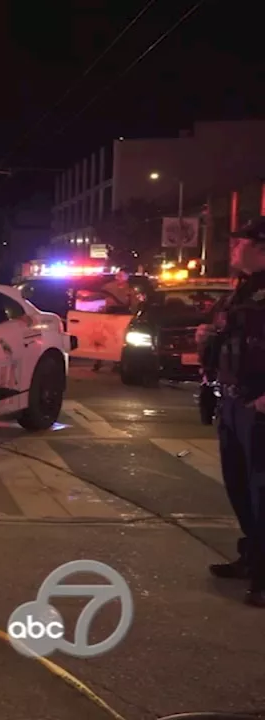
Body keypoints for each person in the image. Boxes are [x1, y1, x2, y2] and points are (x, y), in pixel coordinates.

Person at [198, 217, 265, 606]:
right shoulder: (241, 290)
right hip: (233, 400)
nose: (234, 249)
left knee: (262, 489)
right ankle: (252, 557)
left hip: (258, 404)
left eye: (240, 242)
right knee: (240, 486)